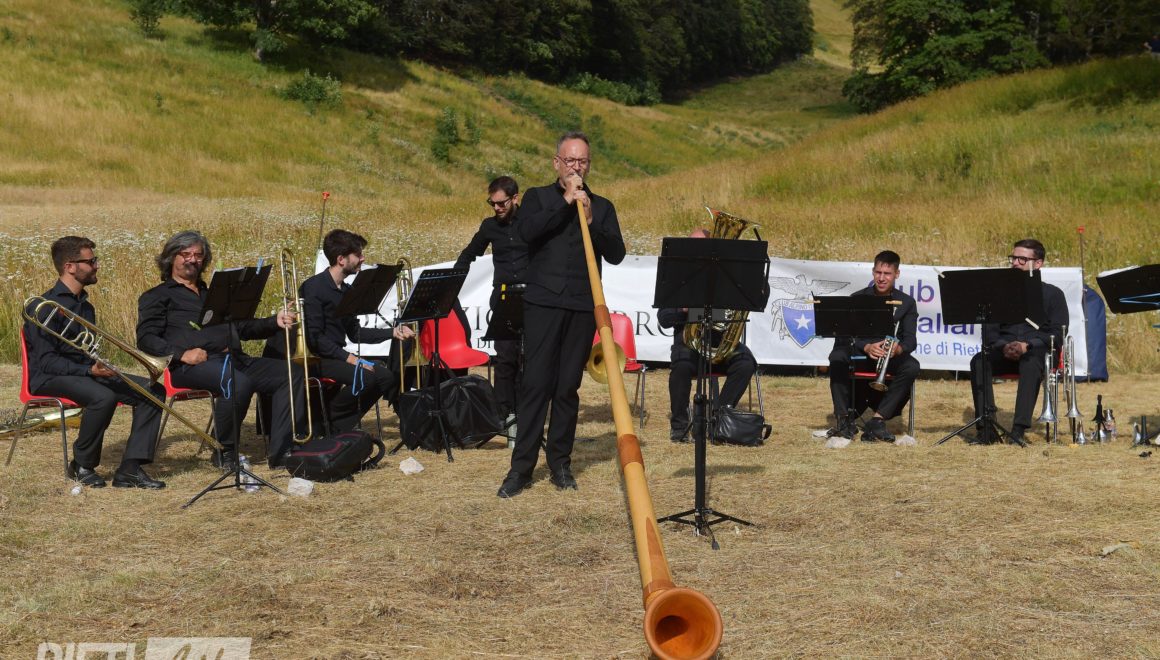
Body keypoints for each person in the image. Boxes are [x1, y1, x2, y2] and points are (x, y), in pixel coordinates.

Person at [497, 131, 625, 497]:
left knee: (567, 387)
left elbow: (616, 254)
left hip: (582, 305)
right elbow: (526, 233)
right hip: (543, 303)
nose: (576, 167)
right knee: (536, 384)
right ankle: (521, 469)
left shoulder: (603, 205)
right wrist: (566, 200)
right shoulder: (538, 198)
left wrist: (592, 219)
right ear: (557, 163)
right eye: (570, 160)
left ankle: (560, 464)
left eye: (582, 161)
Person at [136, 231, 304, 470]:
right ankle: (224, 451)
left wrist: (273, 322)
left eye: (198, 255)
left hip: (234, 359)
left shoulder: (214, 294)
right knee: (238, 383)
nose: (193, 260)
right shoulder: (157, 296)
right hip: (191, 366)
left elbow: (241, 328)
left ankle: (283, 451)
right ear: (171, 258)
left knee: (291, 373)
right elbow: (146, 338)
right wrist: (182, 354)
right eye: (186, 254)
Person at [24, 236, 166, 489]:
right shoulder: (44, 307)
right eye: (90, 262)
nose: (96, 266)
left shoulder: (86, 307)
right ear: (70, 266)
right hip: (49, 377)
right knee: (103, 397)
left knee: (152, 390)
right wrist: (89, 370)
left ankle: (130, 469)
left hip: (83, 373)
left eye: (95, 260)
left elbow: (85, 350)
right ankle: (82, 465)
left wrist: (96, 367)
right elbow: (46, 362)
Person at [300, 229, 414, 433]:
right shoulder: (313, 288)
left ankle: (334, 424)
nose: (363, 258)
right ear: (341, 259)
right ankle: (327, 423)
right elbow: (315, 338)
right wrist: (350, 358)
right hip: (317, 359)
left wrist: (392, 332)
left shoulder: (346, 291)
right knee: (366, 377)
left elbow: (355, 333)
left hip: (337, 356)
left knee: (385, 377)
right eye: (358, 254)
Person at [657, 228, 759, 443]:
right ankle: (679, 425)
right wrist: (685, 310)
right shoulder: (677, 277)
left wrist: (756, 278)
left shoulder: (727, 276)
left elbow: (752, 300)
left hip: (720, 344)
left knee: (746, 363)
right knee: (681, 368)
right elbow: (664, 318)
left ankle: (718, 418)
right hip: (689, 345)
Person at [969, 238, 1068, 445]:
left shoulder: (1053, 294)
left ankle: (1018, 430)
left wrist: (1027, 345)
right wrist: (1003, 346)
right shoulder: (998, 293)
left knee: (1030, 363)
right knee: (979, 361)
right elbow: (989, 332)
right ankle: (986, 429)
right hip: (1004, 350)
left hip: (1037, 352)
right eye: (1013, 258)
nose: (1015, 263)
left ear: (1038, 263)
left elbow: (1058, 334)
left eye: (1022, 259)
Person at [454, 176, 527, 425]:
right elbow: (469, 254)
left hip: (532, 296)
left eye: (501, 203)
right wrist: (451, 281)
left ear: (515, 198)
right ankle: (504, 413)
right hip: (504, 297)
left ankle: (528, 410)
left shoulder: (531, 221)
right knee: (504, 357)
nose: (496, 208)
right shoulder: (489, 226)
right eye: (492, 203)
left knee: (530, 358)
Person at [827, 250, 920, 442]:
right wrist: (867, 346)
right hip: (861, 354)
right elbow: (843, 337)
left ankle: (877, 420)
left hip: (888, 357)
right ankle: (843, 419)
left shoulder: (907, 303)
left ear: (897, 274)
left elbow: (910, 340)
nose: (882, 278)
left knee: (912, 366)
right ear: (873, 272)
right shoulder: (857, 298)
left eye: (887, 273)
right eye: (878, 272)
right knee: (836, 356)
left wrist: (898, 349)